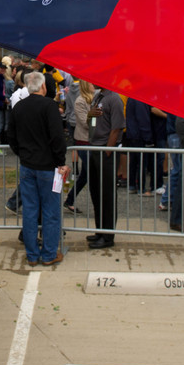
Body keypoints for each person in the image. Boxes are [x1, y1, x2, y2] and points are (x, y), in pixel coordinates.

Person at [7, 71, 70, 266]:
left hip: (28, 165)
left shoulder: (19, 107)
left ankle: (32, 254)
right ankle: (49, 253)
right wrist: (61, 161)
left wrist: (22, 153)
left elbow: (11, 136)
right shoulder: (49, 106)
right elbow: (57, 137)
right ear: (43, 87)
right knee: (50, 212)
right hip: (48, 167)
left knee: (30, 211)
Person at [85, 85, 125, 249]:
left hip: (104, 150)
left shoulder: (114, 98)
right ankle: (100, 231)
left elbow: (117, 128)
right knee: (96, 192)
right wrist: (89, 115)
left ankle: (108, 236)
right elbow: (91, 122)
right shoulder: (97, 97)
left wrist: (108, 150)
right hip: (95, 148)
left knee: (107, 194)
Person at [63, 80, 95, 215]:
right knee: (90, 173)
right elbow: (85, 122)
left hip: (92, 141)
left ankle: (69, 200)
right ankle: (71, 200)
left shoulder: (95, 99)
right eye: (92, 84)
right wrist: (100, 122)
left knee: (86, 174)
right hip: (83, 141)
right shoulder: (80, 101)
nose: (94, 85)